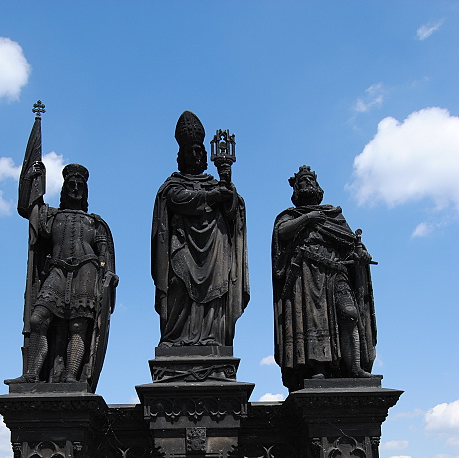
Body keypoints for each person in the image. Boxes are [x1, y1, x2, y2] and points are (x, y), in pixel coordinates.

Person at [8, 161, 117, 389]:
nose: (75, 188)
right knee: (38, 319)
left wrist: (107, 272)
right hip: (57, 270)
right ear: (64, 189)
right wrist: (31, 178)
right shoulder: (51, 216)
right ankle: (31, 374)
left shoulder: (95, 222)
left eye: (79, 185)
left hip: (86, 272)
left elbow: (104, 253)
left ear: (85, 191)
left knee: (78, 326)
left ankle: (71, 377)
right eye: (71, 184)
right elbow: (26, 209)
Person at [272, 165, 376, 392]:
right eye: (302, 182)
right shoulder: (290, 216)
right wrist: (308, 218)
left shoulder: (333, 215)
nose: (307, 184)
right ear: (296, 190)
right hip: (307, 274)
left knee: (349, 314)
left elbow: (350, 244)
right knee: (314, 321)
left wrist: (361, 254)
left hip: (336, 271)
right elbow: (282, 233)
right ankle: (318, 368)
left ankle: (355, 366)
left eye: (311, 181)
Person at [151, 110, 249, 347]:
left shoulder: (215, 184)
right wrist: (213, 196)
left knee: (216, 289)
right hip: (183, 243)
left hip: (215, 245)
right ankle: (175, 337)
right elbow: (176, 198)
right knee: (179, 284)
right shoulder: (173, 184)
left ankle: (212, 337)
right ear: (181, 155)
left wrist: (227, 187)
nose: (194, 155)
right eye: (190, 151)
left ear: (205, 155)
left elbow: (233, 213)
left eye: (198, 151)